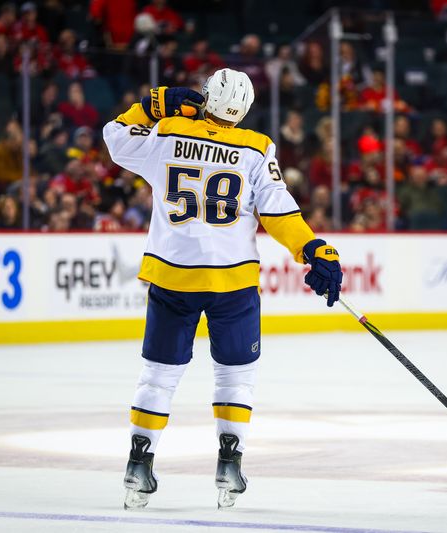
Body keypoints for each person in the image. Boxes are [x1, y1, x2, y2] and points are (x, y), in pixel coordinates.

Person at [103, 69, 342, 511]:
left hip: (172, 276)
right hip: (232, 281)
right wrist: (311, 248)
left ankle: (138, 464)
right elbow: (279, 212)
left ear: (207, 95)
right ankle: (229, 466)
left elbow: (115, 138)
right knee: (236, 376)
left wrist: (152, 105)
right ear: (244, 109)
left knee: (158, 375)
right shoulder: (256, 148)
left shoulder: (169, 132)